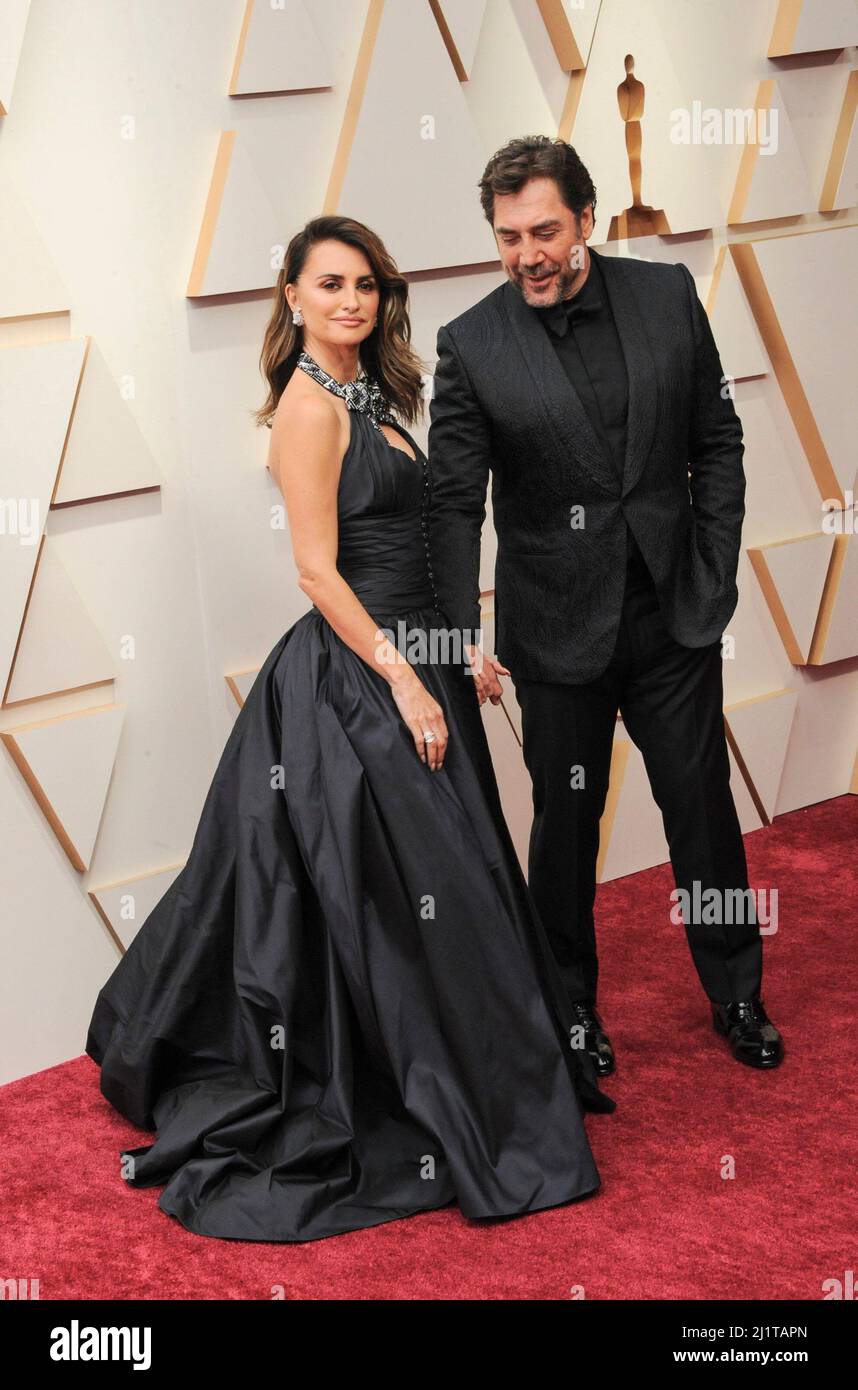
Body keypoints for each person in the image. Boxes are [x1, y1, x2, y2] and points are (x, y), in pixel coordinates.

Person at [85, 213, 614, 1246]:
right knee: (412, 899)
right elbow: (319, 570)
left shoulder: (370, 391)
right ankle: (438, 1096)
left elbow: (413, 539)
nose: (351, 301)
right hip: (361, 679)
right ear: (291, 296)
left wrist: (458, 646)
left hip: (418, 654)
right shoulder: (305, 409)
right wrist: (407, 683)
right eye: (329, 284)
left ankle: (470, 1080)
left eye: (366, 284)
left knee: (437, 888)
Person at [427, 137, 784, 1077]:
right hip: (554, 635)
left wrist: (710, 566)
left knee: (702, 811)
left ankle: (737, 993)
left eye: (544, 230)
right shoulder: (471, 343)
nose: (527, 254)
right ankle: (571, 1011)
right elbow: (457, 499)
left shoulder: (667, 297)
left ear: (587, 218)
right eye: (508, 237)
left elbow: (719, 438)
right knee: (565, 829)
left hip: (671, 618)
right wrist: (459, 626)